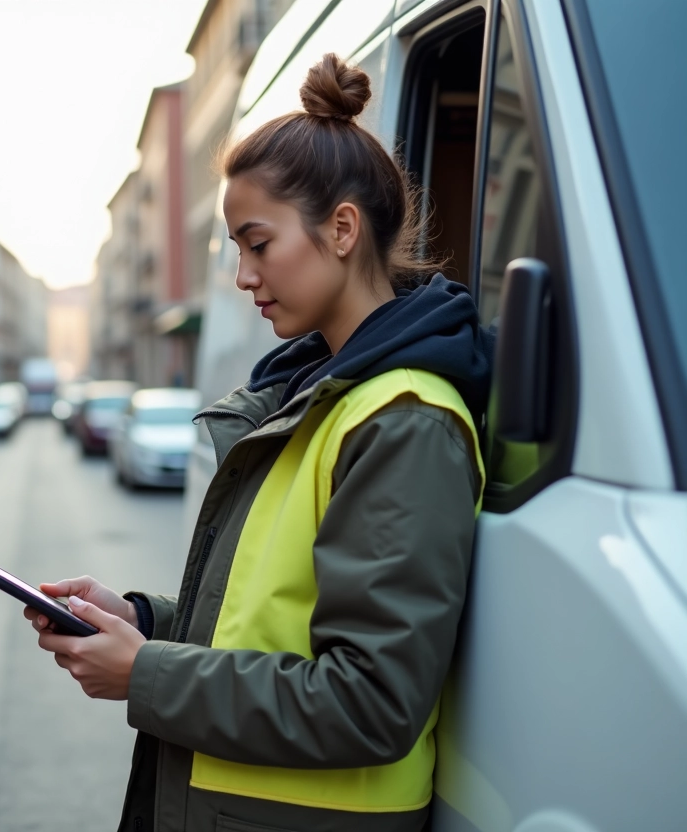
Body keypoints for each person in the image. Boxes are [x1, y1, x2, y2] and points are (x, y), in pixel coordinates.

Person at [26, 53, 492, 832]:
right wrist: (142, 622)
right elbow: (267, 623)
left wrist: (146, 674)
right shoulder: (316, 396)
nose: (242, 277)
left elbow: (371, 702)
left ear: (342, 229)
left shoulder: (403, 420)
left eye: (258, 244)